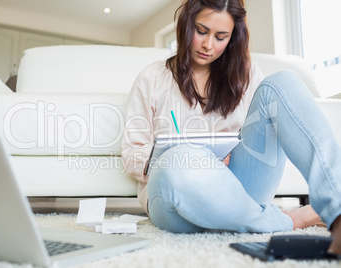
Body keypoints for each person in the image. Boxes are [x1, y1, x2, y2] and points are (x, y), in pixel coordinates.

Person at [121, 0, 341, 254]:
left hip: (238, 187)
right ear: (185, 25)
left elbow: (256, 138)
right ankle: (290, 219)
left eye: (220, 36)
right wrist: (182, 156)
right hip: (175, 195)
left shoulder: (246, 74)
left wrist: (227, 154)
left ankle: (337, 211)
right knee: (180, 160)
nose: (208, 45)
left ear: (232, 37)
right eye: (201, 31)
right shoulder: (152, 77)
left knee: (283, 82)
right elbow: (131, 154)